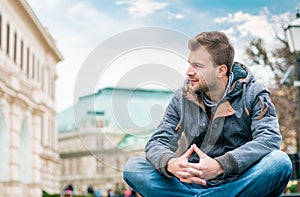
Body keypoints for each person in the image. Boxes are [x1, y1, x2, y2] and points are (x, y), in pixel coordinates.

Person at [123, 31, 292, 197]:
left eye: (198, 66)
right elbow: (157, 142)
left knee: (279, 162)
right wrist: (171, 163)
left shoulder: (254, 93)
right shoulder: (181, 98)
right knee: (133, 168)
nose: (188, 72)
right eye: (189, 64)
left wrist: (220, 165)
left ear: (221, 70)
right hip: (193, 182)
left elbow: (269, 139)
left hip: (239, 179)